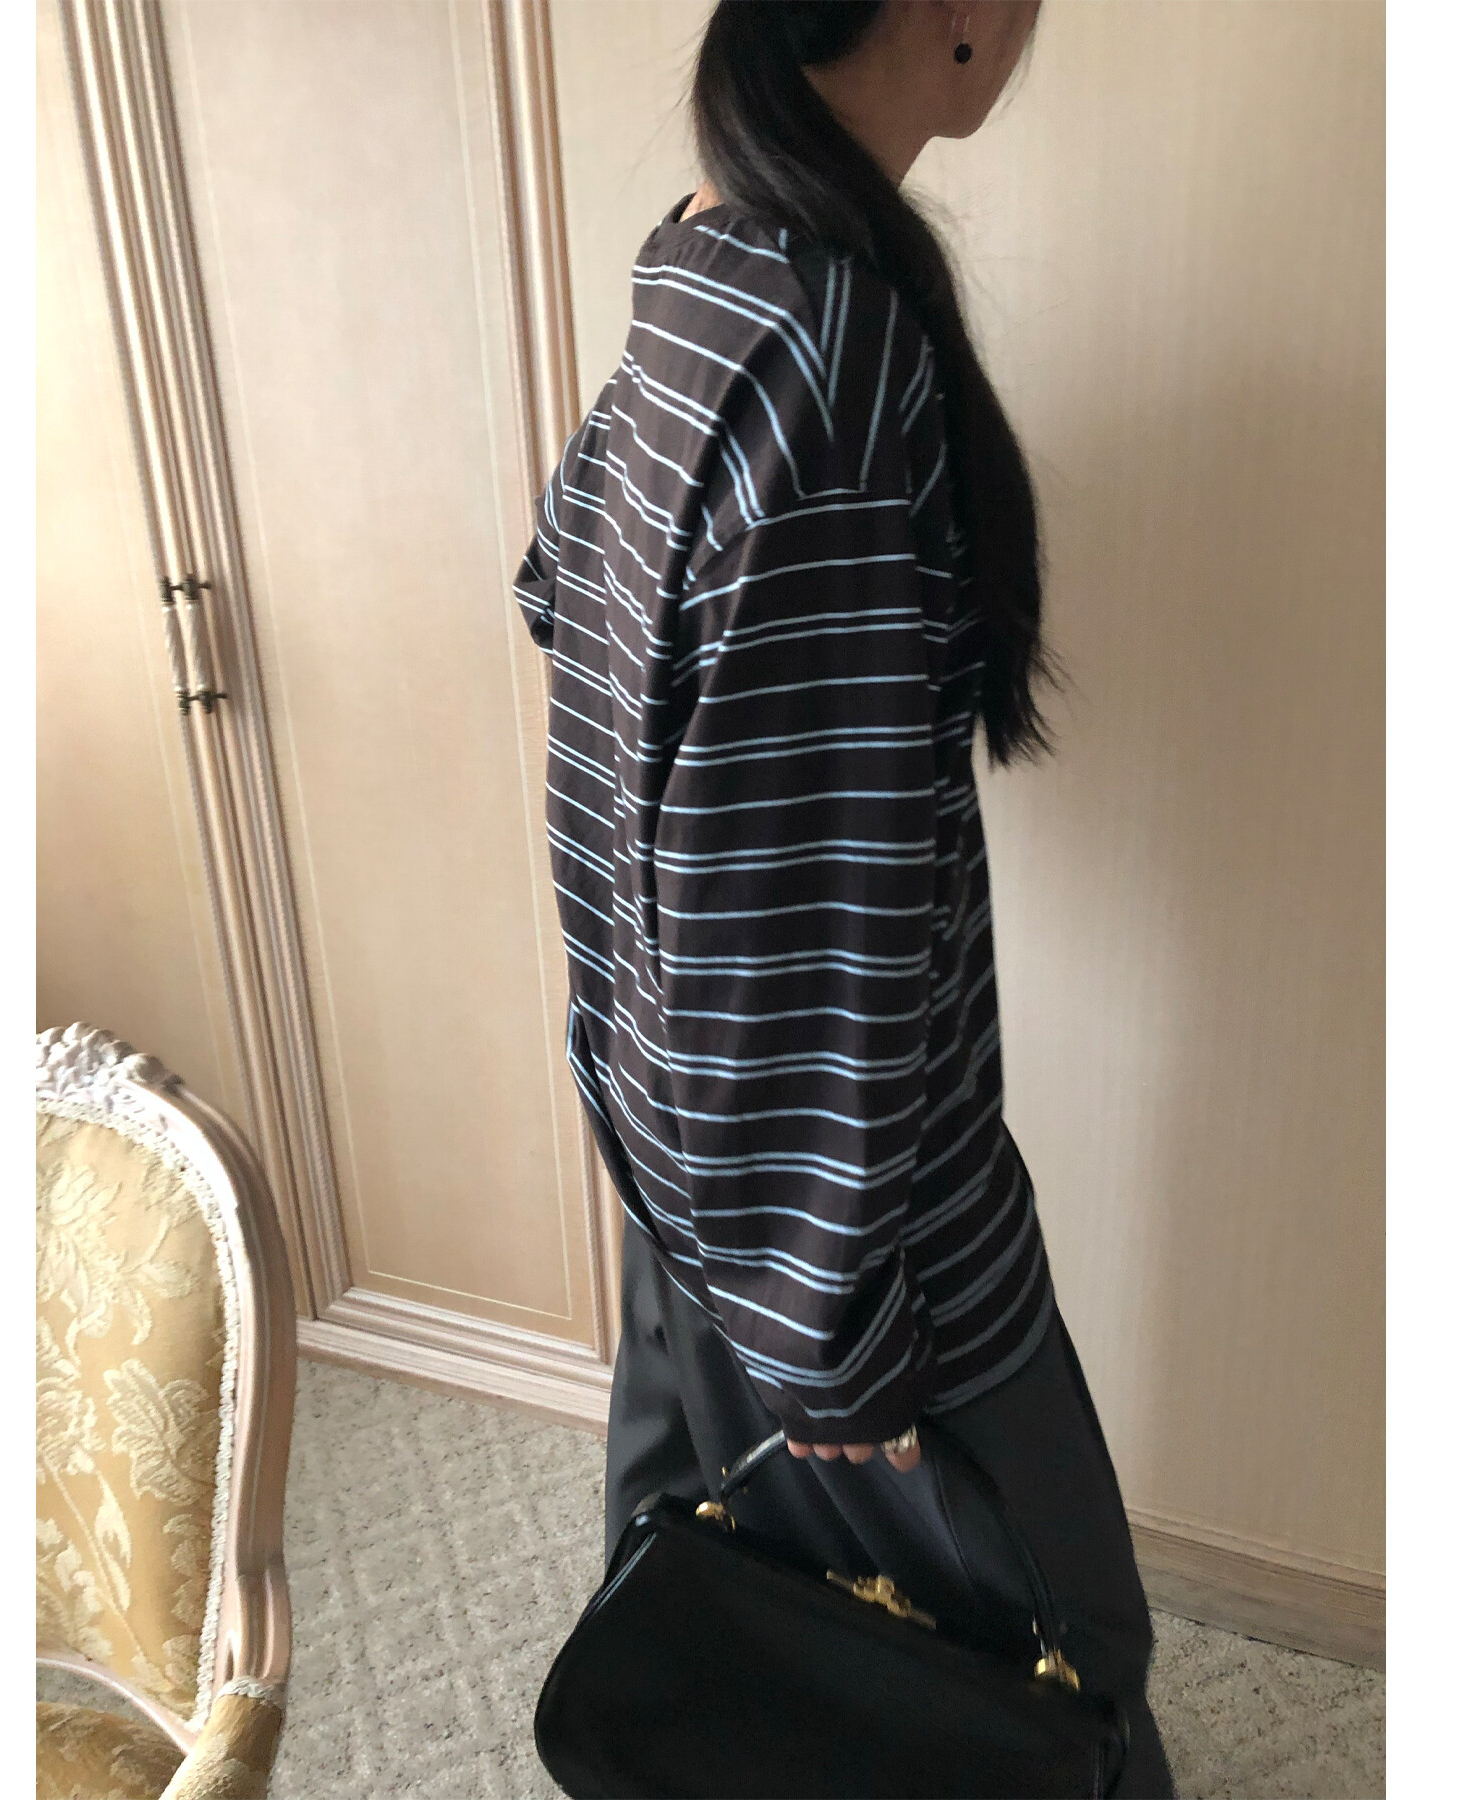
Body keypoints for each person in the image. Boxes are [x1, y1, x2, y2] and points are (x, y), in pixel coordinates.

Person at [513, 3, 1175, 1793]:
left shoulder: (707, 255)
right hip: (860, 1231)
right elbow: (796, 914)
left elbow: (560, 593)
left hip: (682, 1172)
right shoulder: (832, 344)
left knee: (730, 1643)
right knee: (1068, 1673)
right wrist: (834, 1336)